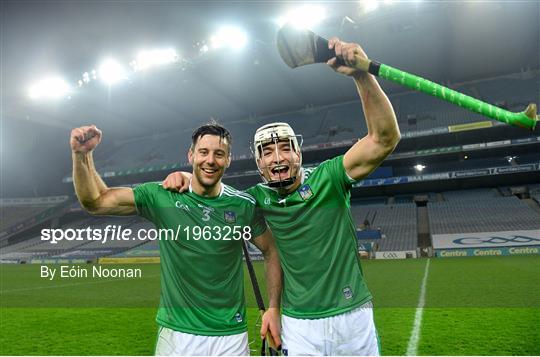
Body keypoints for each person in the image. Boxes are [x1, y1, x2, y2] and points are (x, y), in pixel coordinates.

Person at [163, 38, 400, 355]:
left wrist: (361, 75)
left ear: (299, 153)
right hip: (298, 323)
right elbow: (215, 195)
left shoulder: (330, 177)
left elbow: (384, 139)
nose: (277, 158)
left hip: (352, 315)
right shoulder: (254, 200)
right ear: (258, 161)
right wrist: (188, 176)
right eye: (267, 151)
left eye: (285, 148)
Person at [70, 122, 282, 356]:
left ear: (228, 159)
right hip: (177, 336)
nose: (210, 160)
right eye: (203, 152)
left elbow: (271, 251)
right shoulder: (162, 196)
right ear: (191, 155)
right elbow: (96, 202)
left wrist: (273, 308)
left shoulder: (242, 205)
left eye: (219, 154)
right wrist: (82, 155)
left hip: (230, 336)